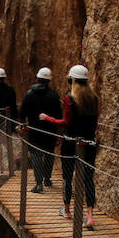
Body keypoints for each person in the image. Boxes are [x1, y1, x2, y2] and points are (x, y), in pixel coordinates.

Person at [40, 65, 97, 228]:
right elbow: (94, 123)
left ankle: (66, 208)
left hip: (71, 142)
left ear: (71, 80)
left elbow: (66, 122)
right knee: (88, 178)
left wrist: (48, 118)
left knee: (67, 175)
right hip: (89, 143)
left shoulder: (69, 98)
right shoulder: (93, 98)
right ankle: (90, 215)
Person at [19, 67, 62, 192]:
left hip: (34, 131)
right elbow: (59, 116)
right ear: (49, 81)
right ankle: (47, 179)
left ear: (37, 78)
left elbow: (22, 114)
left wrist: (23, 126)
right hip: (50, 131)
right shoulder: (54, 95)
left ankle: (39, 183)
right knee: (49, 155)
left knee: (36, 156)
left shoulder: (30, 94)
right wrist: (58, 134)